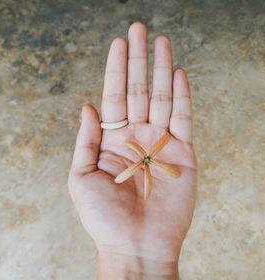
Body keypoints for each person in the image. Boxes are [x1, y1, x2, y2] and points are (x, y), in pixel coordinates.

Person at [68, 22, 197, 280]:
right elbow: (141, 159)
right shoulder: (143, 160)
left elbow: (143, 159)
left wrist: (122, 257)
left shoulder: (145, 160)